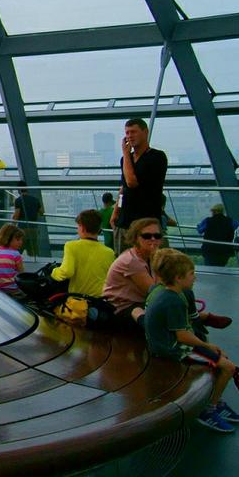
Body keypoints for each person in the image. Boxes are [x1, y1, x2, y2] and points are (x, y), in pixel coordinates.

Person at [145, 249, 239, 433]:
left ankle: (214, 401)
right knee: (228, 367)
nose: (195, 277)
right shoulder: (173, 300)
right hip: (173, 350)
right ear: (178, 278)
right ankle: (209, 409)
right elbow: (182, 336)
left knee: (221, 360)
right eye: (191, 274)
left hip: (164, 345)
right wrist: (207, 345)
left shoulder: (163, 293)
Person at [110, 118, 167, 254]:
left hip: (146, 222)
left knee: (149, 260)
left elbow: (131, 182)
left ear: (145, 132)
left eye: (133, 132)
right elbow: (124, 188)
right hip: (125, 222)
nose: (130, 136)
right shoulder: (126, 159)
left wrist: (125, 153)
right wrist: (116, 211)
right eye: (127, 133)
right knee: (124, 261)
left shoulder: (156, 157)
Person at [103, 218, 162, 326]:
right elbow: (155, 292)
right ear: (135, 238)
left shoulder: (148, 257)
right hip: (120, 310)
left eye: (157, 236)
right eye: (147, 236)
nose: (153, 239)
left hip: (137, 305)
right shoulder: (131, 261)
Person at [50, 210, 115, 297]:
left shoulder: (71, 246)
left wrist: (54, 271)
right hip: (100, 300)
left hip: (78, 299)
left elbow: (66, 272)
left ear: (82, 228)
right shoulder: (109, 252)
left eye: (78, 226)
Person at [0, 224, 26, 298]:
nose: (21, 242)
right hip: (12, 289)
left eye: (21, 240)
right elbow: (22, 273)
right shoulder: (15, 254)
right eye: (18, 240)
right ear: (8, 239)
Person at [12, 184, 44, 257]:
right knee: (32, 250)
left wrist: (12, 226)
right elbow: (41, 212)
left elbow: (16, 215)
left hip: (22, 228)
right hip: (33, 228)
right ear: (27, 190)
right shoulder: (35, 199)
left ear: (19, 190)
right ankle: (34, 262)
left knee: (18, 249)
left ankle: (16, 262)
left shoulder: (18, 200)